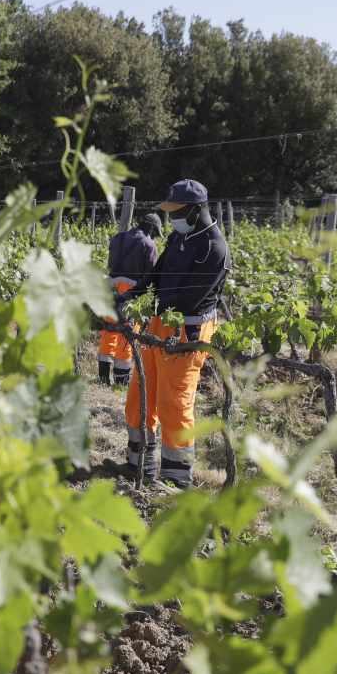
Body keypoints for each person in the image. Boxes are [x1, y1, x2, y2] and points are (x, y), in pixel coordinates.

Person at [115, 180, 230, 487]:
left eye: (177, 211)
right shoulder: (180, 238)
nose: (172, 218)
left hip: (187, 329)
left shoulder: (213, 247)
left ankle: (176, 478)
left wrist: (163, 317)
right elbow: (157, 274)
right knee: (141, 392)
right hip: (159, 322)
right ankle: (140, 466)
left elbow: (192, 298)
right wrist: (131, 294)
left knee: (174, 402)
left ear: (195, 210)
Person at [97, 212, 162, 386]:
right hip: (131, 290)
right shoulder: (148, 244)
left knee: (109, 329)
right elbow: (151, 275)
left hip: (110, 286)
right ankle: (121, 381)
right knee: (128, 334)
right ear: (151, 228)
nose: (154, 236)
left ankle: (103, 378)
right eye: (155, 233)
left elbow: (110, 263)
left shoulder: (118, 237)